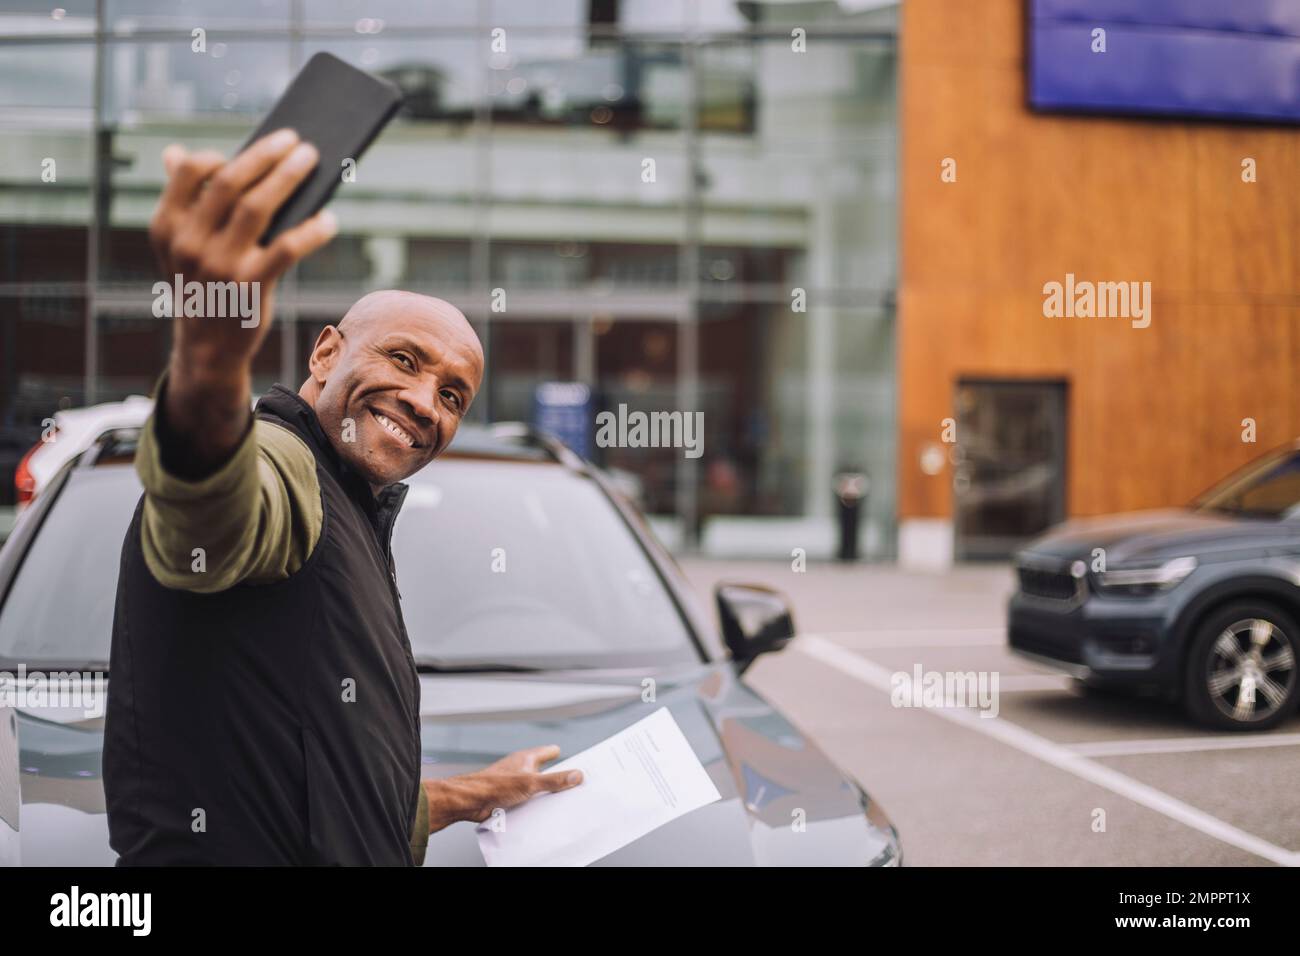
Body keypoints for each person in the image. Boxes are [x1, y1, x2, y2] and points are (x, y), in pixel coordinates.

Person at [103, 129, 582, 865]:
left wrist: (466, 795)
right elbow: (209, 505)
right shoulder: (286, 466)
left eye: (452, 394)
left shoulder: (353, 505)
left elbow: (317, 795)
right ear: (326, 353)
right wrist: (211, 351)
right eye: (403, 359)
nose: (425, 401)